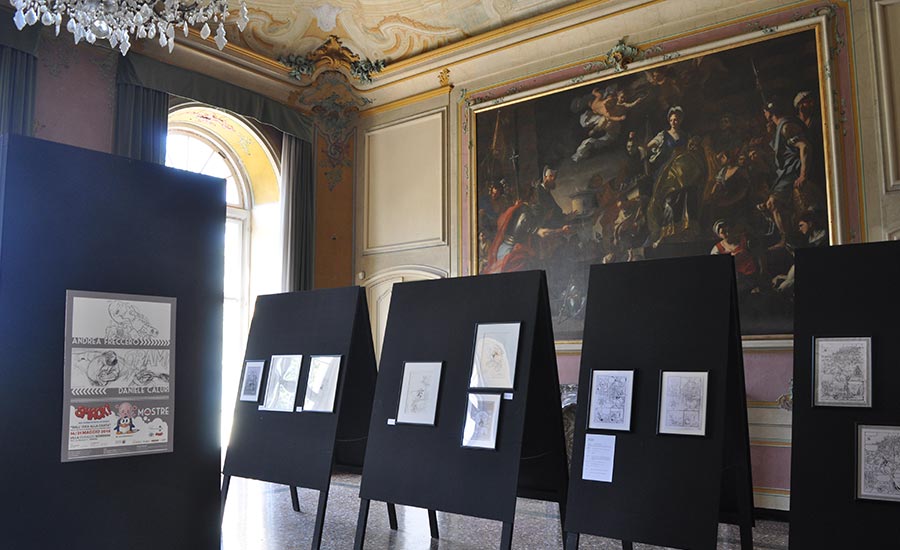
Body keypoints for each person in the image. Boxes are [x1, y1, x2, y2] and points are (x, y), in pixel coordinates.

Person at [757, 97, 811, 249]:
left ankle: (786, 240)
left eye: (765, 111)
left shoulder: (786, 127)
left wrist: (803, 175)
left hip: (793, 171)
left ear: (769, 112)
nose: (764, 114)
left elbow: (805, 147)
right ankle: (786, 239)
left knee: (773, 203)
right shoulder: (779, 127)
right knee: (771, 204)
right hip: (786, 172)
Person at [710, 219, 759, 293]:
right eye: (723, 232)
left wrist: (763, 271)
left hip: (752, 275)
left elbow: (759, 254)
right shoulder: (717, 249)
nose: (727, 233)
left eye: (728, 230)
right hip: (736, 280)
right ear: (719, 235)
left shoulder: (745, 239)